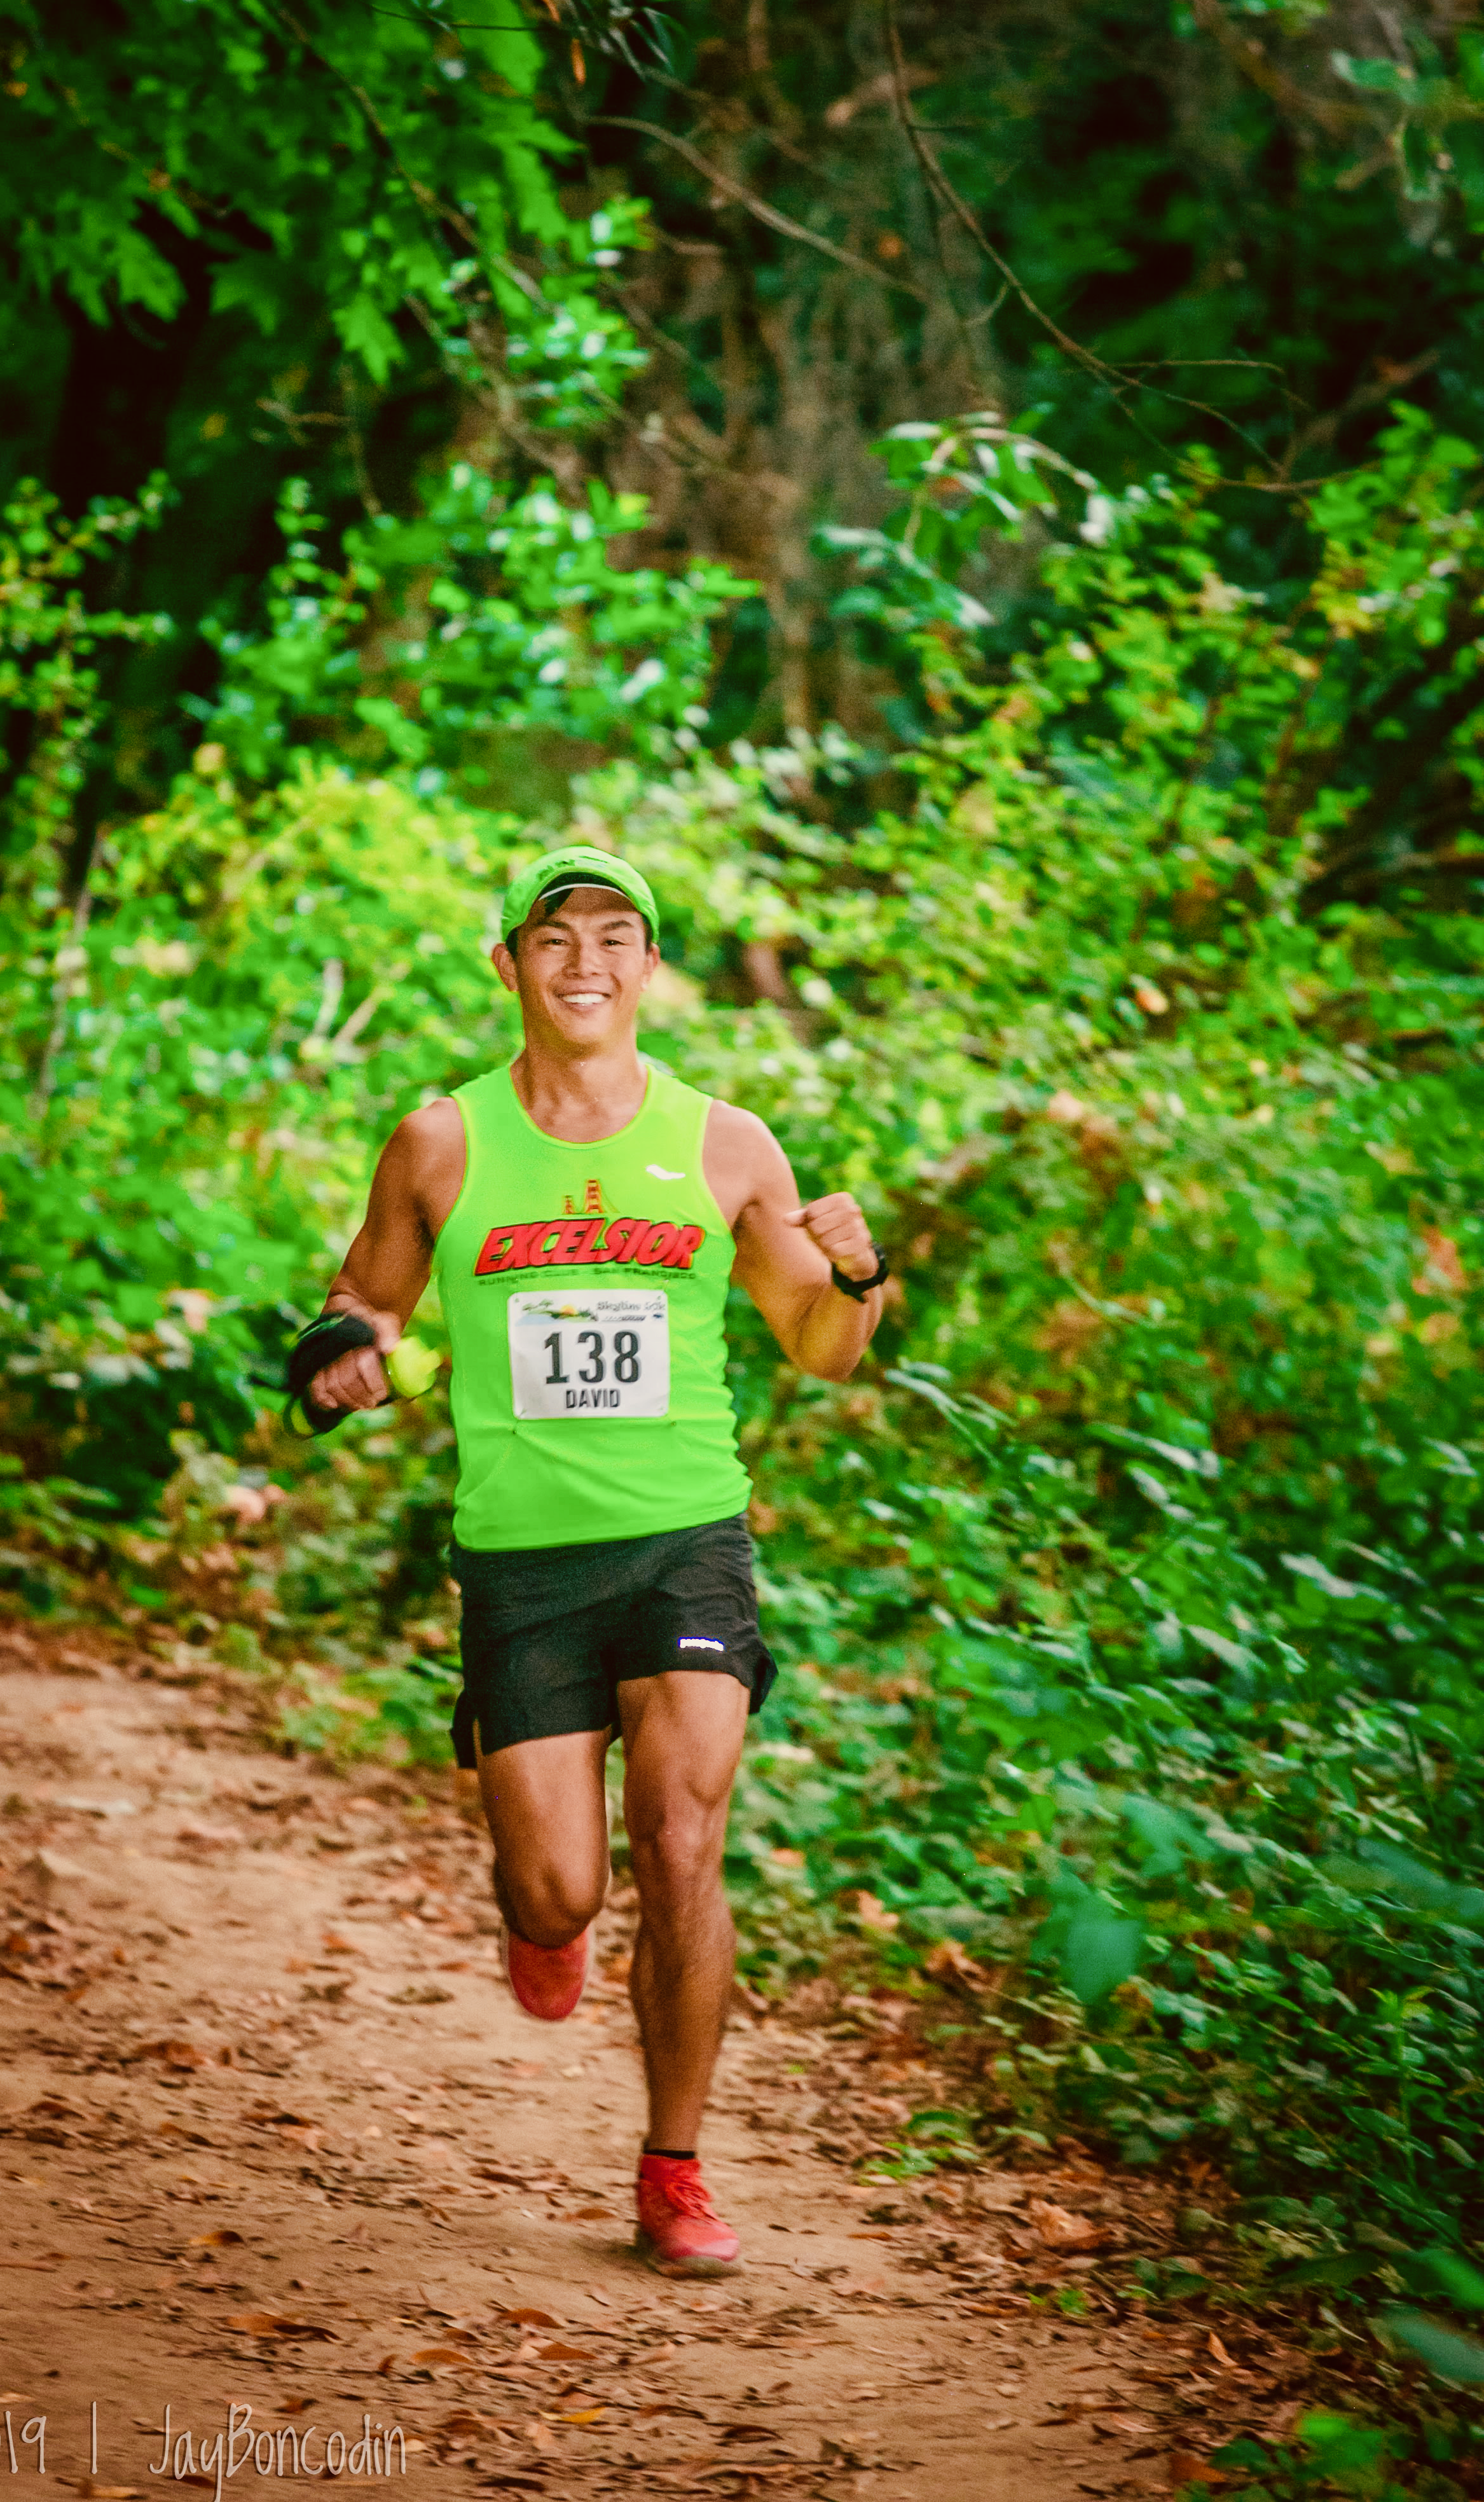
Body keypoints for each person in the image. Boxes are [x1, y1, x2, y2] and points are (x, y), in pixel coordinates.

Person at [308, 846, 886, 2274]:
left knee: (683, 1843)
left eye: (614, 935)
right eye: (553, 935)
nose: (585, 959)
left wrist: (861, 1279)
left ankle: (673, 2170)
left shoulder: (727, 1147)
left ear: (647, 969)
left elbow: (819, 1349)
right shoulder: (442, 1141)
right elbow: (361, 1302)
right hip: (524, 1561)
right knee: (559, 1890)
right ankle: (544, 1917)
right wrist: (345, 1363)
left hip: (686, 1537)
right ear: (507, 964)